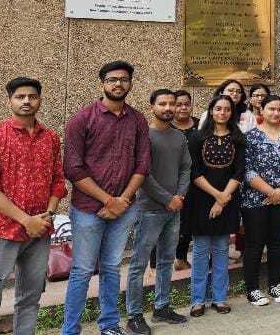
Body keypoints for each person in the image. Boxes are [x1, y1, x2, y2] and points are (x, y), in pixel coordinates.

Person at [0, 77, 65, 335]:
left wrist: (48, 215)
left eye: (32, 96)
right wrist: (26, 220)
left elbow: (58, 181)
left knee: (30, 297)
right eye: (20, 96)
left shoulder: (50, 138)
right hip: (2, 231)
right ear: (9, 101)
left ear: (40, 100)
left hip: (40, 231)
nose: (26, 101)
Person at [62, 61, 150, 335]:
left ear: (130, 84)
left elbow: (142, 165)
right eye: (112, 79)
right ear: (101, 84)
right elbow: (73, 169)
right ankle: (70, 330)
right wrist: (108, 200)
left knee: (111, 267)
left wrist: (121, 200)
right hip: (88, 209)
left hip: (124, 208)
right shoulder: (81, 119)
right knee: (82, 270)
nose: (118, 84)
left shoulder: (137, 120)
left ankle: (109, 325)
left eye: (124, 79)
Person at [125, 89, 191, 333]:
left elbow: (186, 168)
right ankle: (134, 315)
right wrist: (167, 199)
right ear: (151, 106)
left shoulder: (178, 136)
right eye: (162, 104)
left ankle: (161, 307)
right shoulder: (144, 136)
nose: (168, 108)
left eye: (171, 104)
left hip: (174, 209)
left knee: (166, 261)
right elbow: (143, 174)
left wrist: (179, 197)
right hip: (149, 210)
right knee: (139, 264)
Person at [186, 95, 245, 317]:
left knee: (221, 250)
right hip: (201, 199)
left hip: (229, 199)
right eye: (218, 108)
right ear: (211, 111)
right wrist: (216, 196)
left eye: (227, 109)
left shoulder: (238, 138)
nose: (222, 113)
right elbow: (194, 171)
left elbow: (239, 171)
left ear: (232, 112)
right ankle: (197, 300)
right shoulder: (197, 137)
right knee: (200, 251)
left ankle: (220, 298)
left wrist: (223, 198)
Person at [242, 95, 280, 306]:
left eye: (279, 109)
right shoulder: (250, 137)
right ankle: (252, 288)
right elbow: (247, 169)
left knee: (277, 242)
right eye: (271, 109)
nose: (276, 113)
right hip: (255, 199)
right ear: (262, 110)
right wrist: (270, 192)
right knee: (255, 243)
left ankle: (275, 284)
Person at [172, 89, 198, 272]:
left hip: (198, 181)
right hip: (172, 183)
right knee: (172, 223)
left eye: (186, 104)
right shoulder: (166, 126)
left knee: (190, 221)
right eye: (179, 104)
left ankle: (181, 259)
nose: (183, 108)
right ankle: (155, 265)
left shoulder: (201, 124)